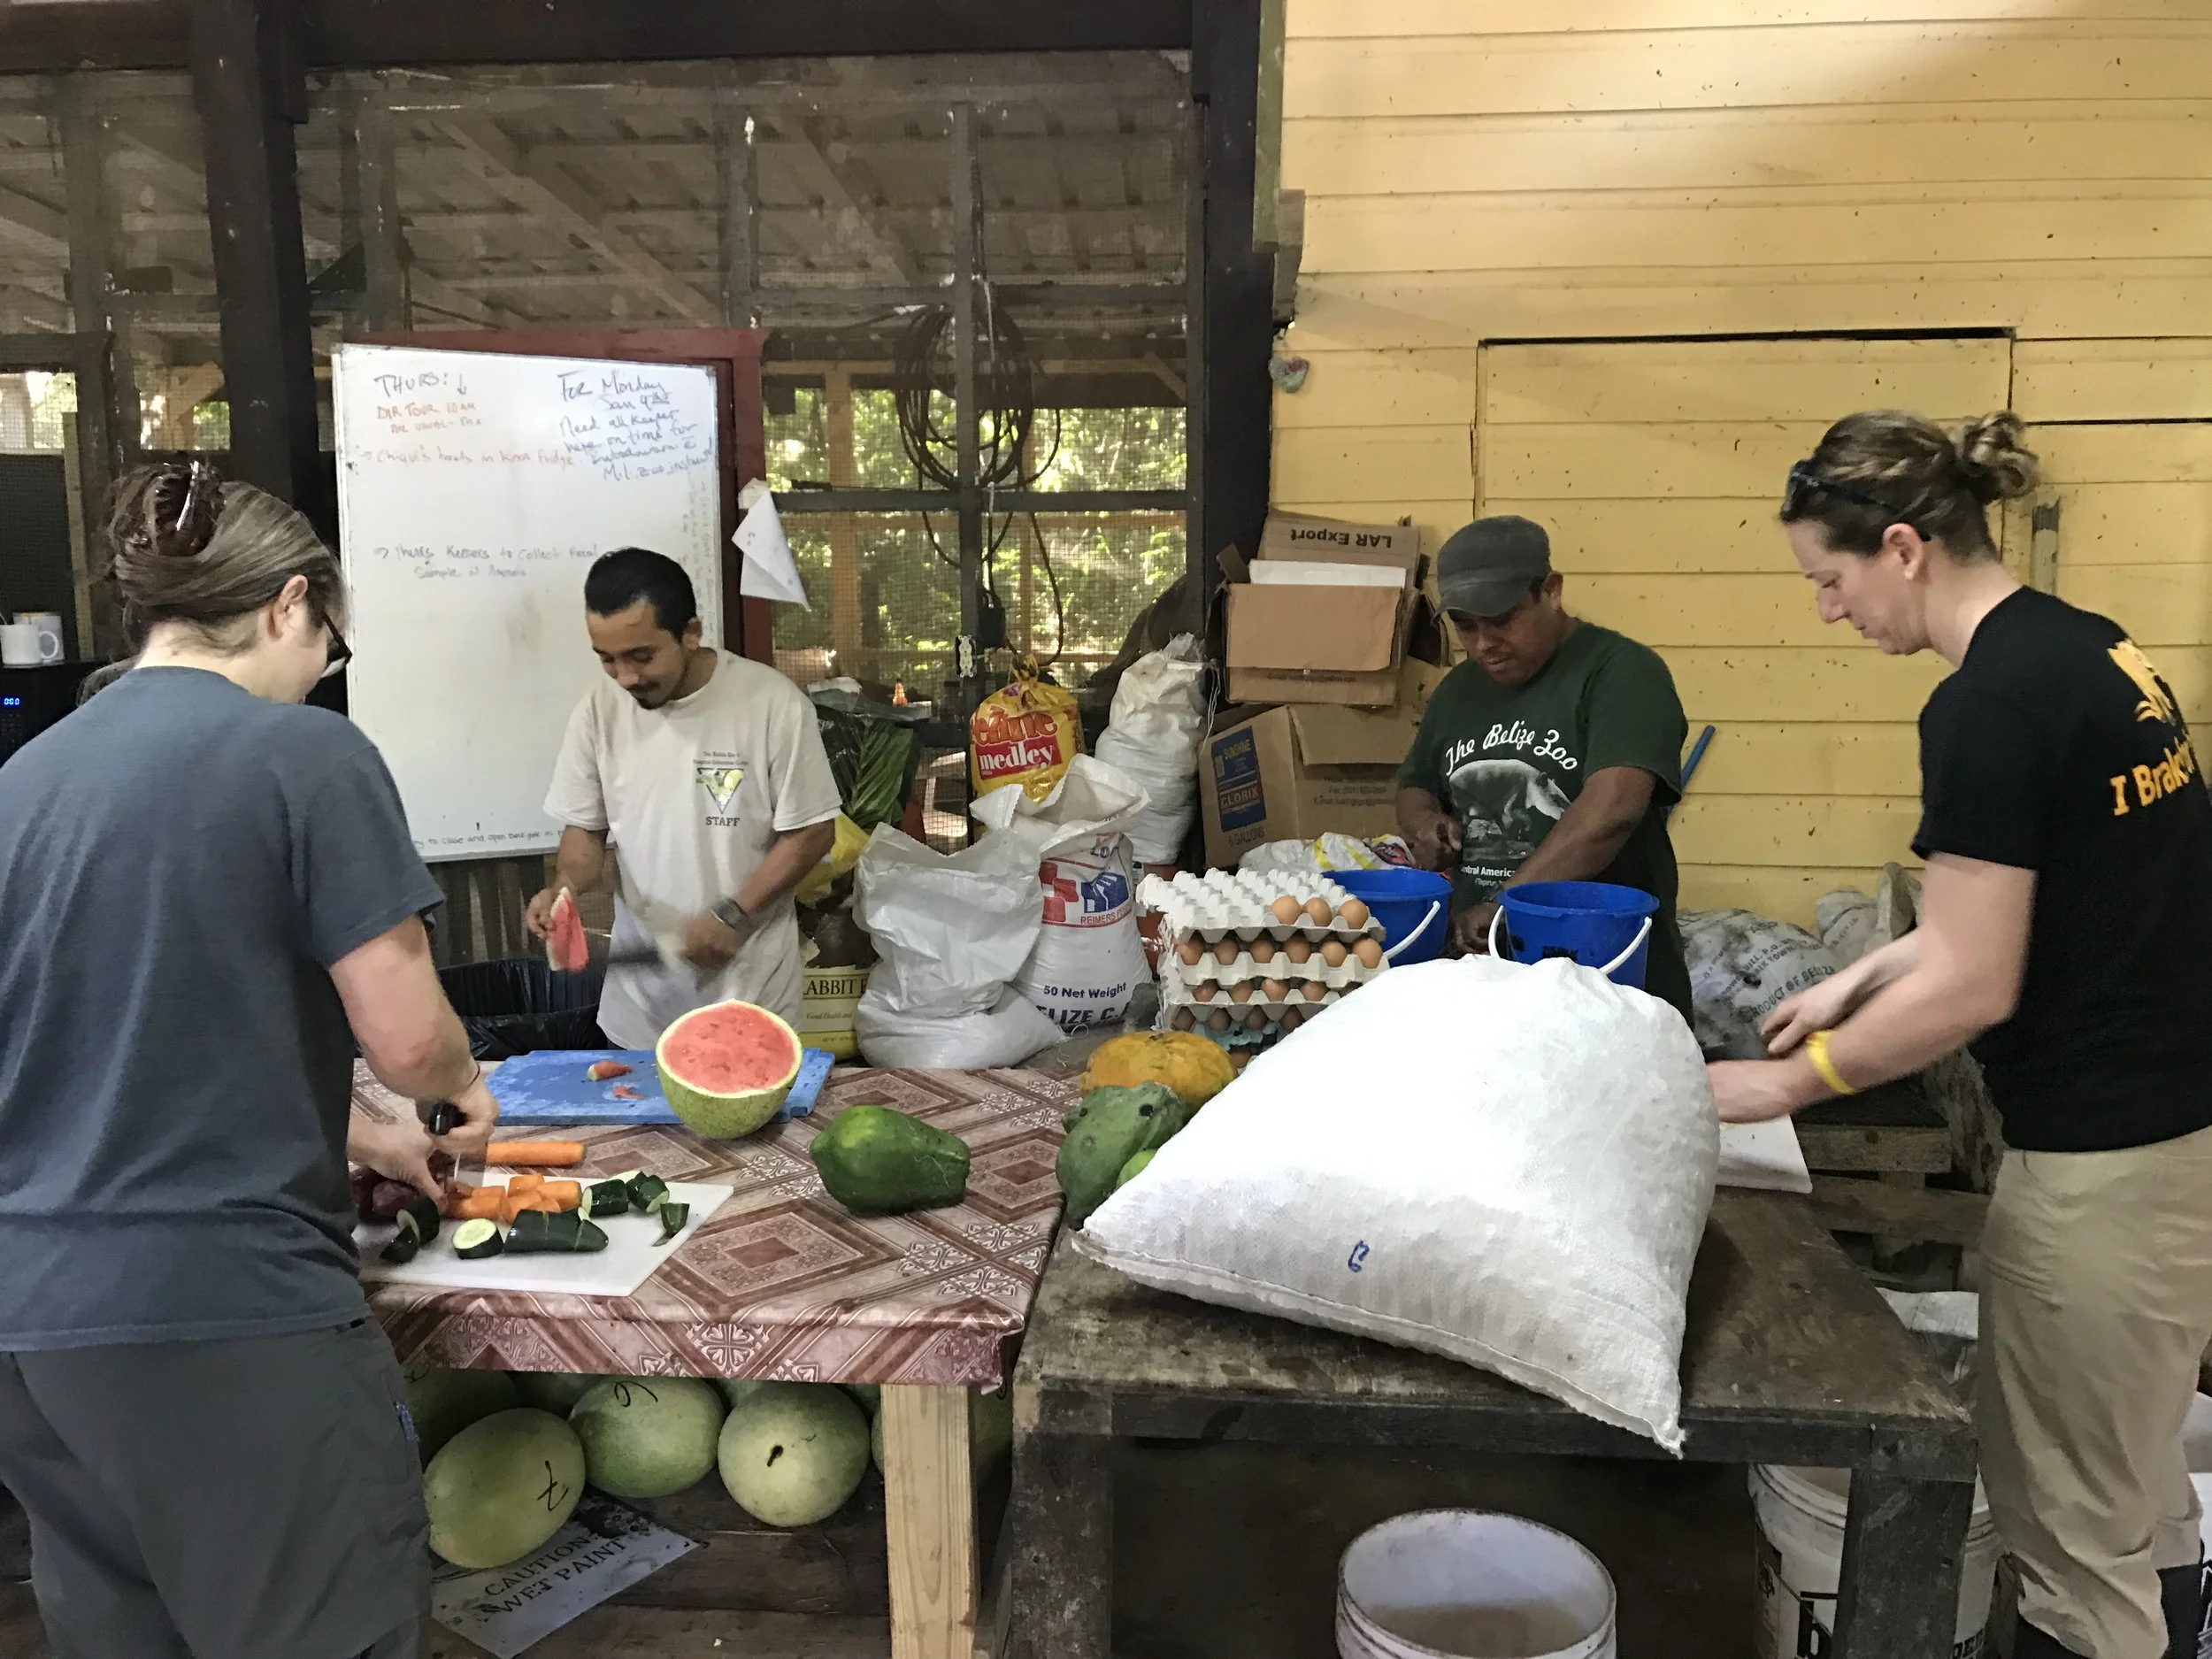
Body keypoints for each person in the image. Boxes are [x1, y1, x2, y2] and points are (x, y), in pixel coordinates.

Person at [1708, 411, 2212, 1659]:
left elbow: (1979, 982)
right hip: (2177, 1126)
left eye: (1830, 581)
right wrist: (1860, 977)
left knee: (2073, 1554)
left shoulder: (1984, 703)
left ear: (1901, 547)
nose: (1828, 611)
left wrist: (1786, 1083)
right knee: (2135, 1499)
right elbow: (2042, 889)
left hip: (2104, 1160)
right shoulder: (2088, 649)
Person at [0, 459, 501, 1659]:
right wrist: (457, 1093)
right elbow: (408, 1034)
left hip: (34, 1332)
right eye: (328, 637)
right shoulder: (305, 759)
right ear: (288, 603)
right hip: (225, 1321)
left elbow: (112, 1044)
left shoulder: (22, 783)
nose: (324, 667)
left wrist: (366, 1134)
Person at [525, 548, 841, 1046]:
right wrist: (564, 888)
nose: (626, 677)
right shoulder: (597, 711)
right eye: (608, 660)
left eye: (641, 655)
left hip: (751, 995)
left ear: (690, 633)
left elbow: (813, 830)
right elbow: (585, 830)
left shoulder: (771, 705)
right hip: (641, 1010)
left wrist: (734, 913)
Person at [1394, 514, 1694, 1017]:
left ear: (1551, 591)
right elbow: (1415, 784)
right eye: (1466, 625)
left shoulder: (1621, 673)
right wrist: (1424, 823)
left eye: (1502, 619)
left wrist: (1507, 905)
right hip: (1492, 980)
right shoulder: (1457, 692)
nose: (1483, 643)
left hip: (1606, 981)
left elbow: (1613, 808)